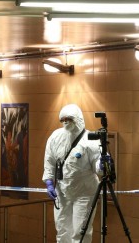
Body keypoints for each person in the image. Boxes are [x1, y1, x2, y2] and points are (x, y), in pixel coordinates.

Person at [42, 104, 103, 243]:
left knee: (80, 232)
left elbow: (98, 167)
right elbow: (49, 160)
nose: (65, 122)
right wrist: (49, 182)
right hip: (62, 192)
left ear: (77, 119)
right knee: (62, 229)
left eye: (68, 118)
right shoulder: (56, 137)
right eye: (62, 119)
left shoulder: (90, 140)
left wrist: (103, 164)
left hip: (84, 193)